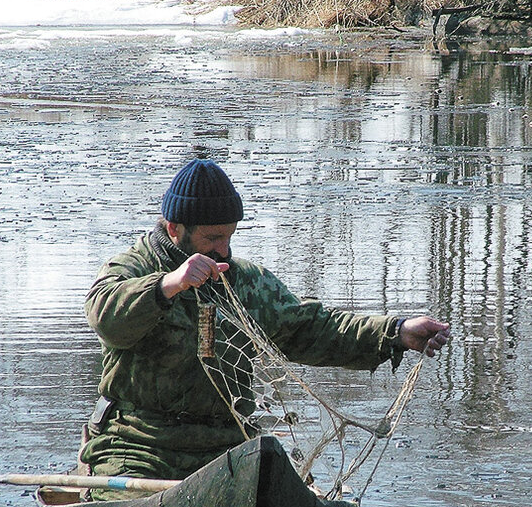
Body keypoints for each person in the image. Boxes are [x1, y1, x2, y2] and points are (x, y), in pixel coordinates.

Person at [79, 157, 451, 483]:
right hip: (138, 446)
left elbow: (312, 327)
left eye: (229, 237)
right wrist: (169, 285)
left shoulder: (246, 281)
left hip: (227, 446)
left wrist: (397, 333)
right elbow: (105, 317)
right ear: (175, 229)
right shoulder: (131, 268)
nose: (223, 249)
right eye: (212, 238)